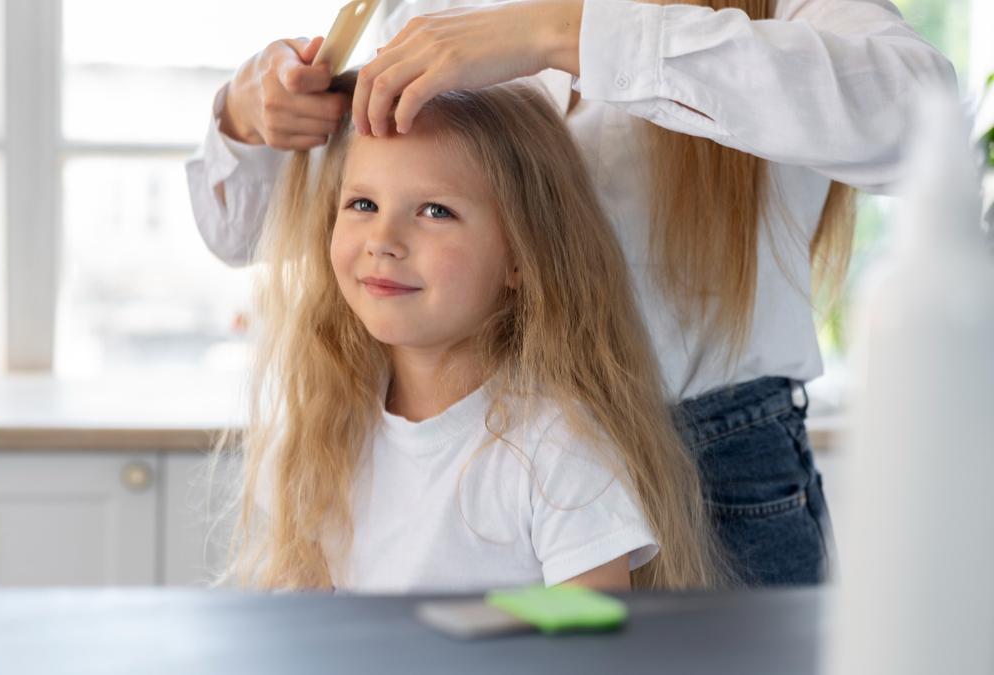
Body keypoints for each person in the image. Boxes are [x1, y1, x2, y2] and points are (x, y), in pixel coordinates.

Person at [188, 0, 956, 585]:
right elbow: (255, 232)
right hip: (454, 443)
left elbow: (923, 121)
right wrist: (252, 116)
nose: (387, 233)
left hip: (716, 477)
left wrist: (565, 33)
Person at [228, 75, 727, 592]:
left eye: (435, 211)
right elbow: (307, 616)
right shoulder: (327, 428)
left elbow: (591, 624)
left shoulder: (557, 449)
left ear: (520, 256)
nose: (383, 240)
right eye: (363, 205)